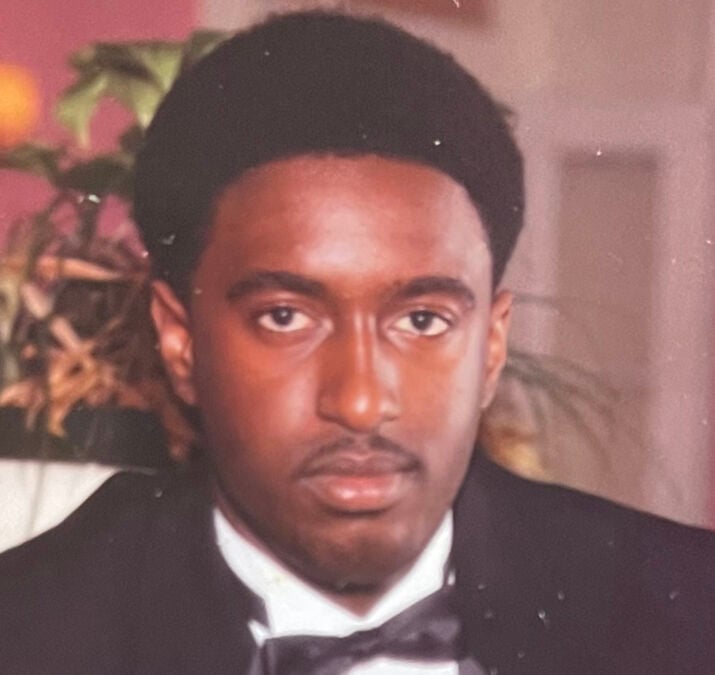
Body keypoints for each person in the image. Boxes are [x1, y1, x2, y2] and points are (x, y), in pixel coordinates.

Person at [0, 10, 713, 675]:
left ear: (492, 346)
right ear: (180, 340)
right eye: (285, 317)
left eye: (422, 320)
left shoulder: (686, 611)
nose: (362, 402)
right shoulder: (31, 631)